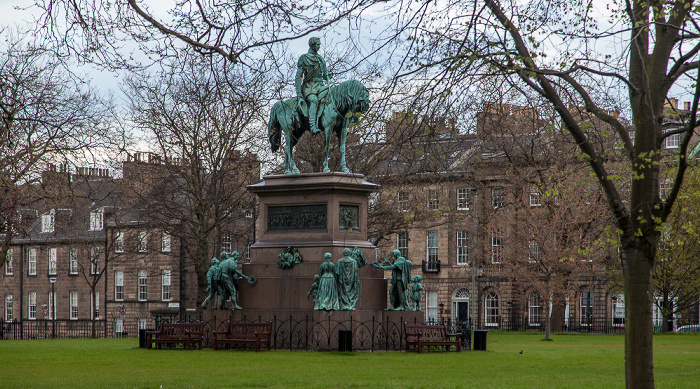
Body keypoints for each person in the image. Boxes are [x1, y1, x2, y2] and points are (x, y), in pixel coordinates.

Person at [296, 37, 331, 135]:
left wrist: (328, 76)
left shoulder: (320, 59)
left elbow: (325, 75)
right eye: (318, 45)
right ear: (312, 45)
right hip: (309, 87)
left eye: (320, 44)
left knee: (333, 94)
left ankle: (338, 123)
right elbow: (298, 77)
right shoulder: (304, 58)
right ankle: (312, 126)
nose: (319, 47)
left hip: (320, 86)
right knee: (314, 101)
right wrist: (299, 94)